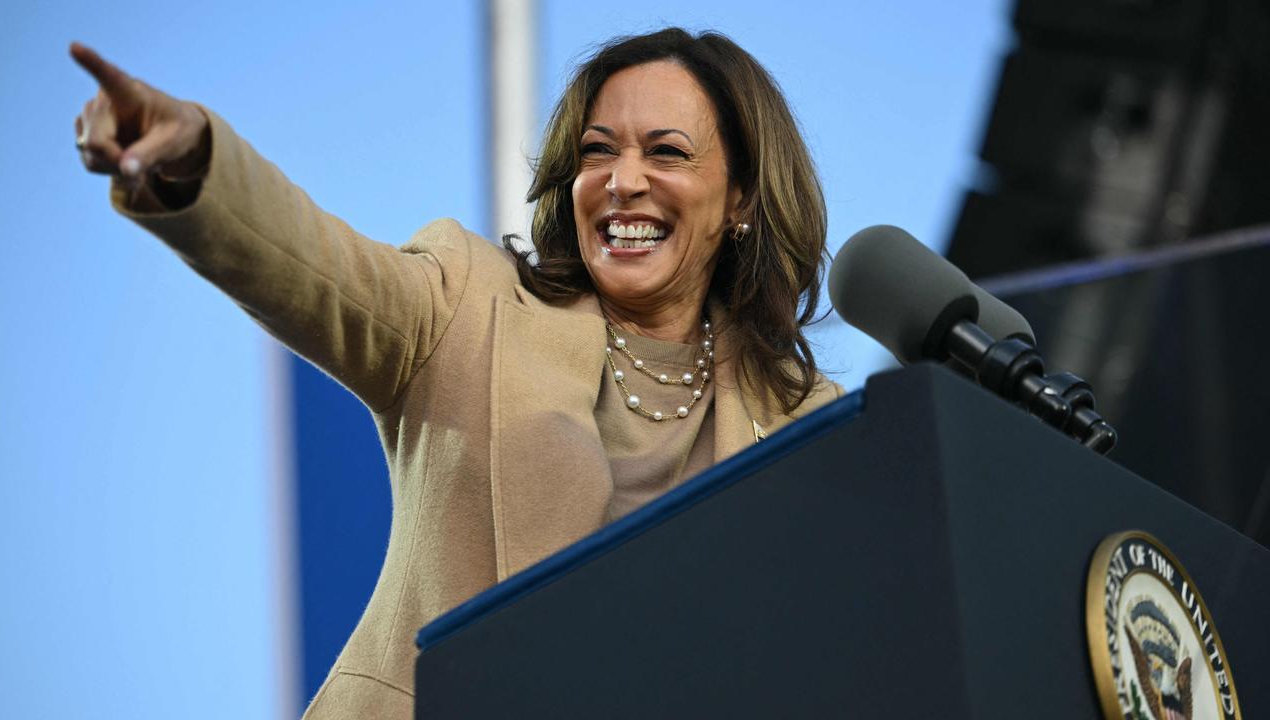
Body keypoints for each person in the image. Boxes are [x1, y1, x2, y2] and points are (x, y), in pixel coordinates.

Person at [71, 27, 842, 719]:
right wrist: (193, 162)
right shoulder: (471, 306)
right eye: (598, 150)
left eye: (666, 152)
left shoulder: (807, 424)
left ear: (740, 196)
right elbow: (316, 268)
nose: (622, 180)